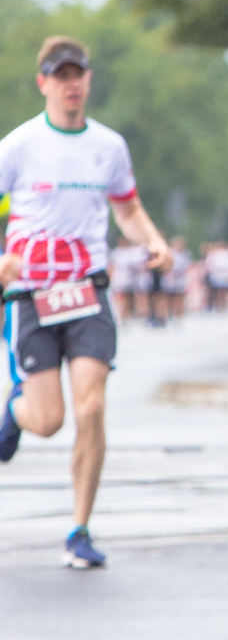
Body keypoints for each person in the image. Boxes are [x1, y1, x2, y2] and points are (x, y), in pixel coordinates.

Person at [0, 35, 172, 567]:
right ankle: (15, 412)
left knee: (92, 407)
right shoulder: (19, 146)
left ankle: (80, 528)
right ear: (44, 83)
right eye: (61, 75)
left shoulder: (108, 146)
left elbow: (128, 208)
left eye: (79, 75)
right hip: (31, 294)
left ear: (88, 81)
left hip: (88, 291)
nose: (71, 84)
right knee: (49, 419)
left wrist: (154, 240)